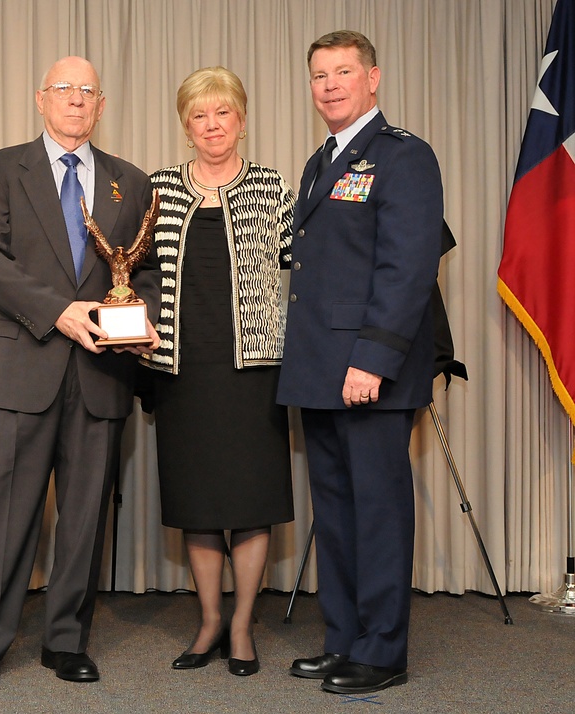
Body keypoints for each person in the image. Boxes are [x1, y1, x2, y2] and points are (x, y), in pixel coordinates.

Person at [0, 56, 160, 689]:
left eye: (87, 91)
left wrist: (143, 318)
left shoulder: (132, 181)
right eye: (64, 89)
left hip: (102, 373)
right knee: (2, 511)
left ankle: (67, 638)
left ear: (100, 106)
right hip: (23, 361)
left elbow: (143, 269)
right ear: (40, 100)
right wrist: (58, 311)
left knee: (84, 514)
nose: (76, 99)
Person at [277, 31, 444, 695]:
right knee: (338, 513)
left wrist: (371, 360)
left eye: (343, 72)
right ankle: (344, 638)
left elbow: (406, 270)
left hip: (369, 371)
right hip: (321, 368)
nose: (330, 85)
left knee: (376, 512)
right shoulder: (321, 162)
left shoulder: (404, 157)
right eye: (319, 75)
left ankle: (383, 649)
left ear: (372, 78)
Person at [143, 67, 295, 677]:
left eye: (222, 113)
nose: (212, 125)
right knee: (198, 502)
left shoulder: (271, 185)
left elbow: (302, 262)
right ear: (186, 125)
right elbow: (133, 271)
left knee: (250, 500)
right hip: (182, 367)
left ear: (242, 119)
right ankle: (208, 620)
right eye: (199, 115)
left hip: (252, 367)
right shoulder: (157, 188)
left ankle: (241, 624)